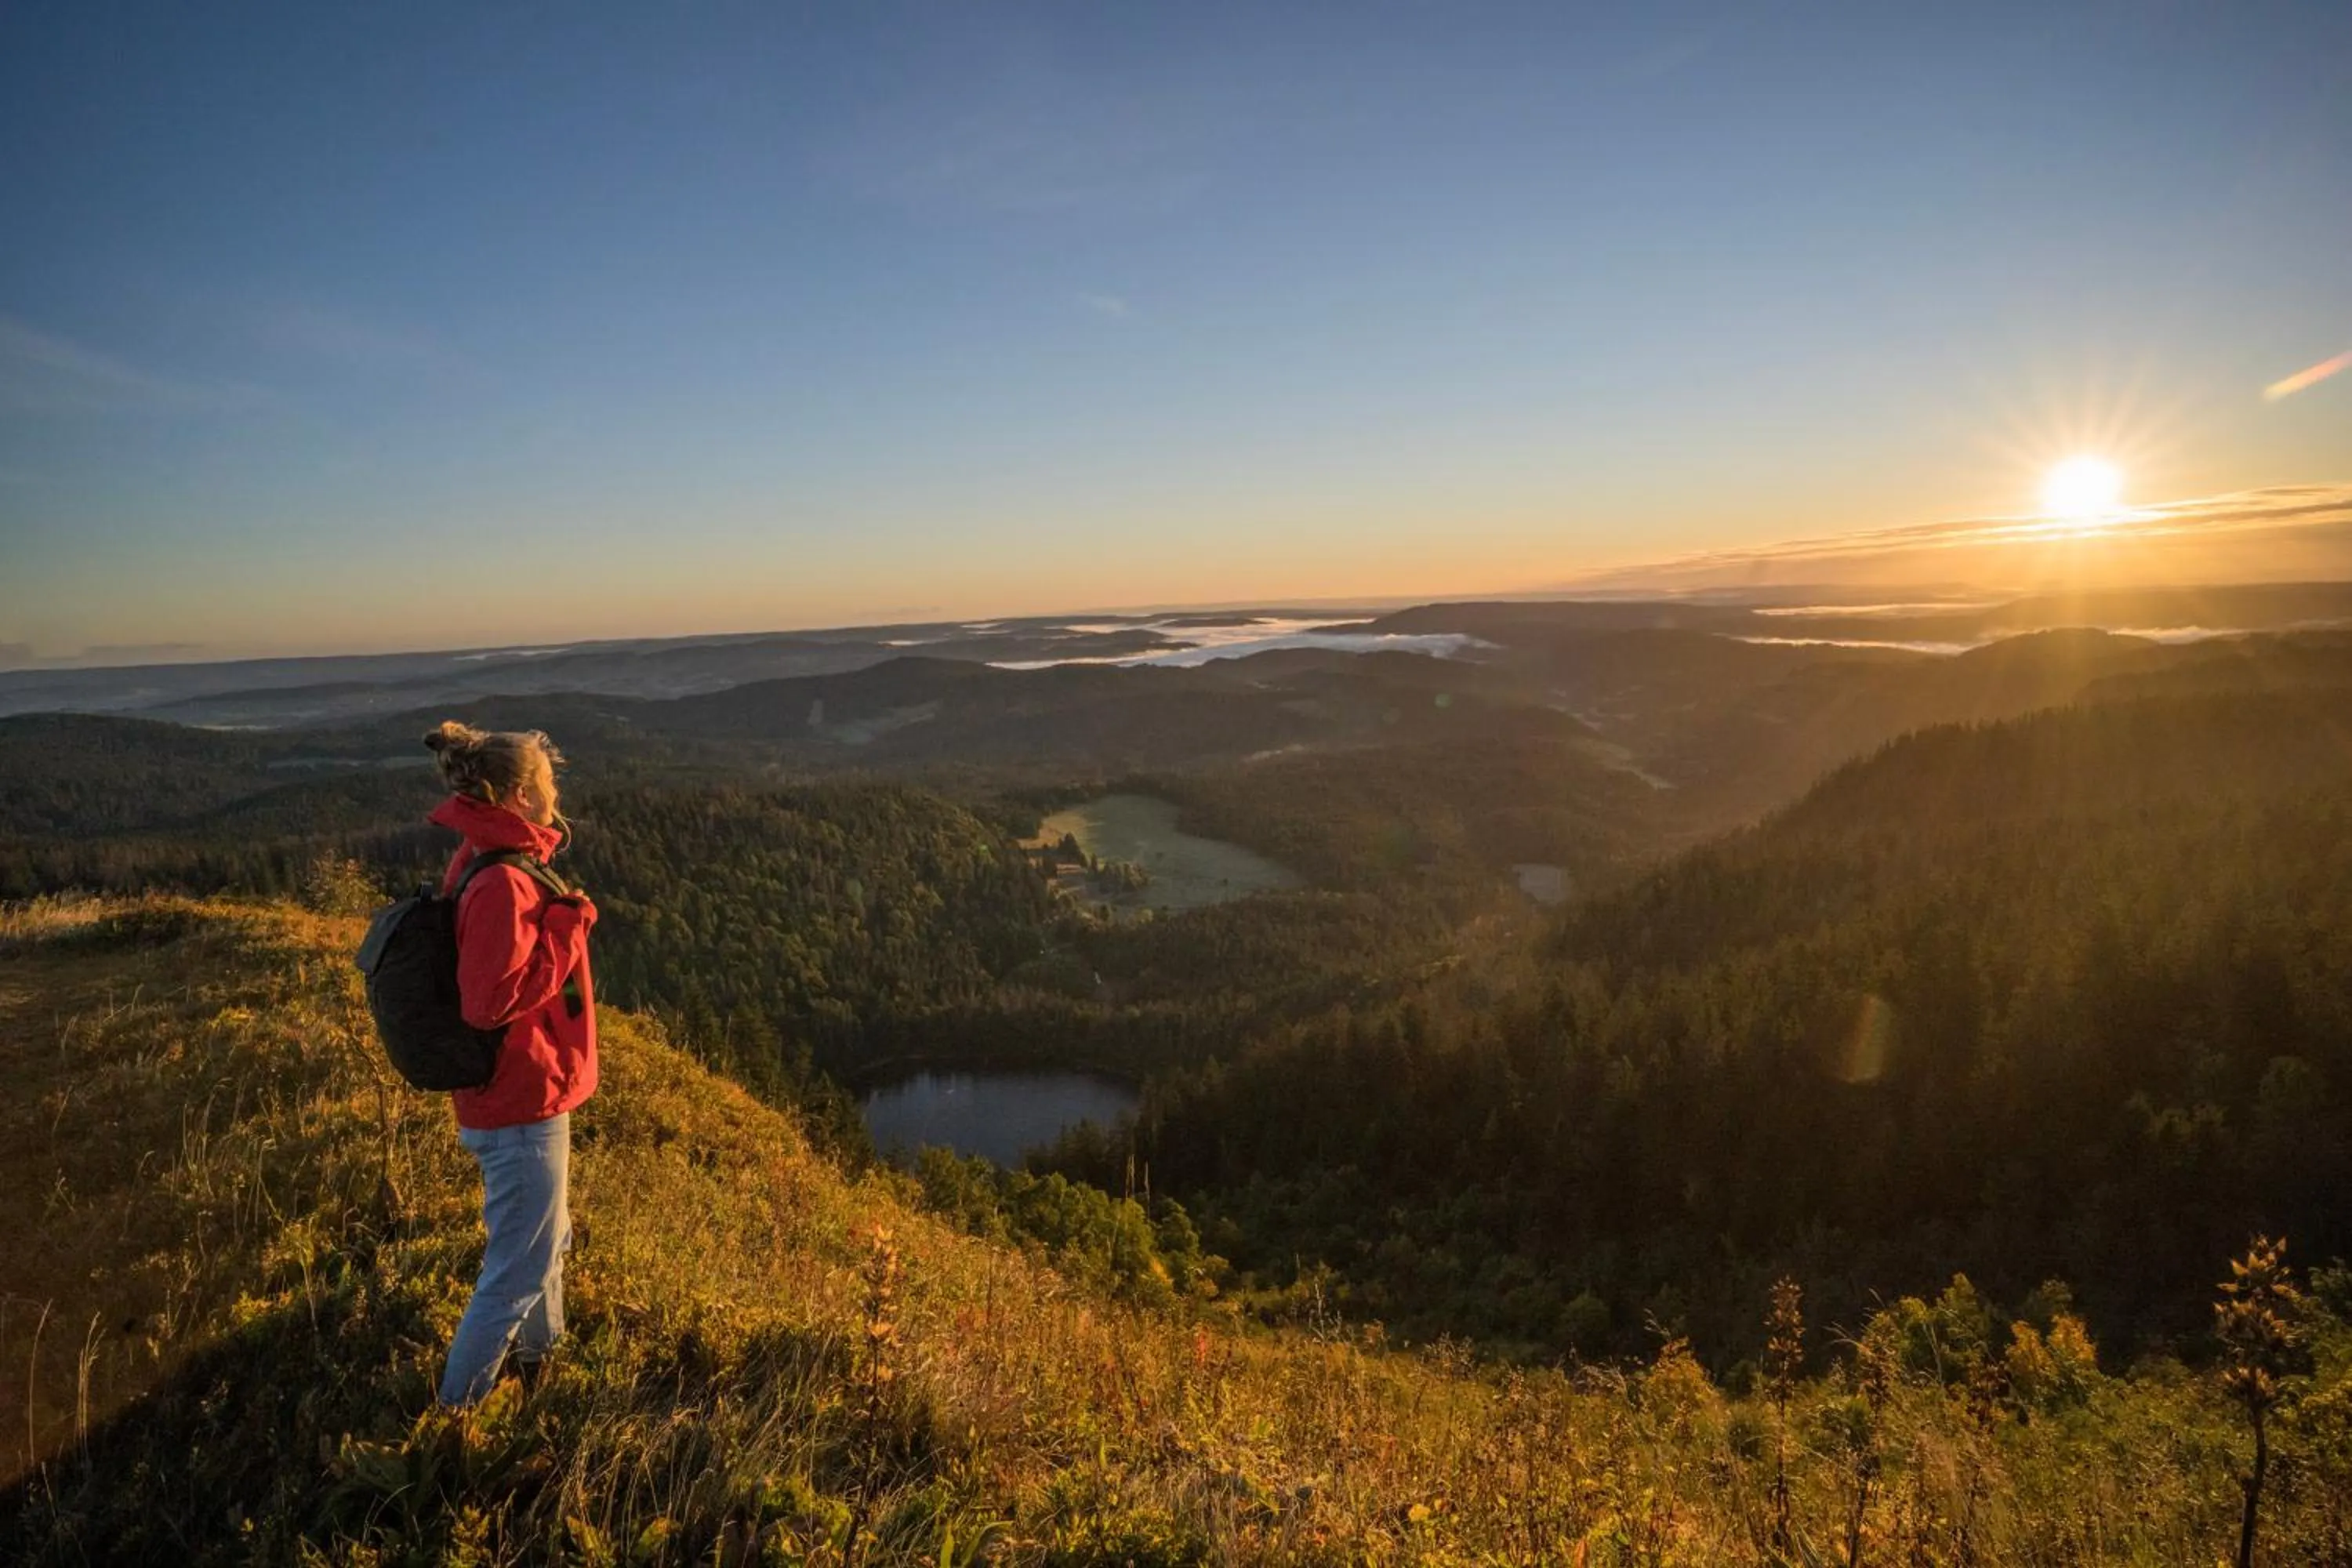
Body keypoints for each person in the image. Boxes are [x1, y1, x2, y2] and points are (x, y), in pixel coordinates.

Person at [421, 720, 598, 1406]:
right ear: (522, 795)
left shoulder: (485, 858)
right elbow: (486, 1003)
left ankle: (541, 1364)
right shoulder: (502, 881)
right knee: (516, 1271)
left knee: (545, 1245)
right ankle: (453, 1418)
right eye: (549, 785)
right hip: (518, 1101)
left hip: (524, 1093)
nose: (557, 796)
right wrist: (566, 929)